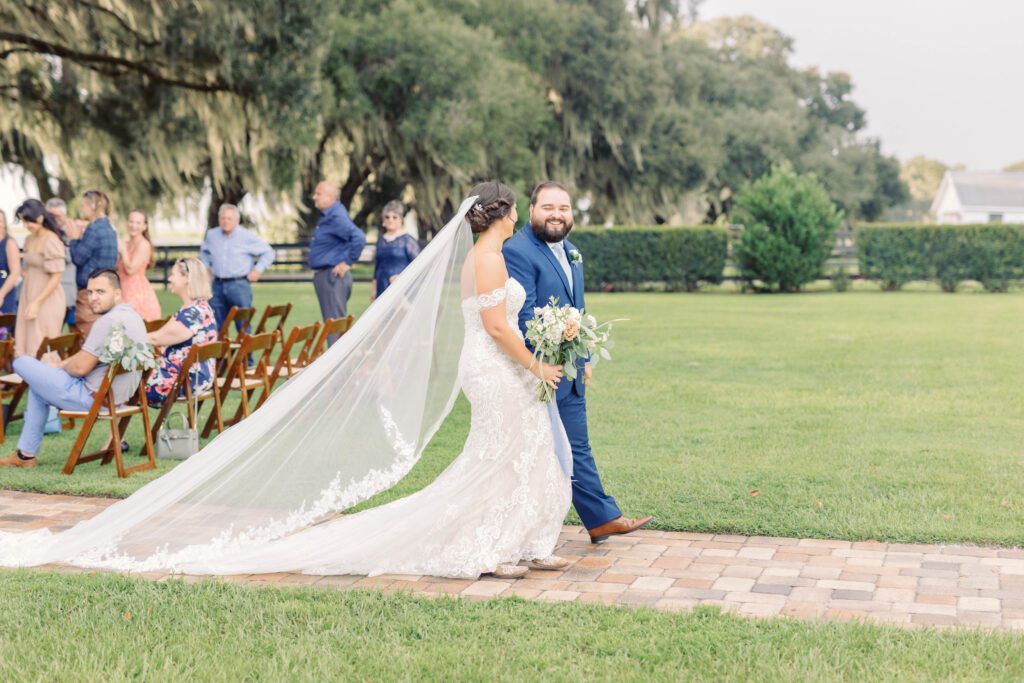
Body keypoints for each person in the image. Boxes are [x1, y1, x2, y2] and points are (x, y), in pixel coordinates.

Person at [0, 186, 575, 580]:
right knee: (501, 453)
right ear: (500, 216)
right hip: (499, 364)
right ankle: (495, 542)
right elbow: (498, 325)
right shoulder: (492, 257)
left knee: (506, 453)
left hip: (490, 365)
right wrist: (537, 363)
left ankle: (515, 539)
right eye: (513, 211)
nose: (517, 217)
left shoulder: (482, 253)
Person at [503, 181, 653, 544]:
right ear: (532, 209)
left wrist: (582, 358)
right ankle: (598, 518)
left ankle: (601, 518)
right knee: (552, 448)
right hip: (540, 370)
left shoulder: (572, 251)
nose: (557, 214)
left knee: (574, 445)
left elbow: (577, 312)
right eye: (548, 207)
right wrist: (545, 364)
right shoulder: (518, 251)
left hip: (570, 368)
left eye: (564, 208)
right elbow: (525, 316)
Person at [0, 269, 146, 469]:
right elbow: (87, 357)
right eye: (90, 292)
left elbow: (80, 368)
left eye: (101, 292)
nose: (93, 298)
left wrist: (59, 368)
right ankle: (25, 456)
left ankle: (25, 456)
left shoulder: (106, 322)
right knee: (38, 387)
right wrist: (59, 366)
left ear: (117, 293)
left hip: (93, 398)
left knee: (21, 361)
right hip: (117, 398)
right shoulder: (133, 317)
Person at [145, 257, 217, 407]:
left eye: (174, 274)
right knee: (126, 384)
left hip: (185, 379)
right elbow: (162, 336)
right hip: (195, 375)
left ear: (186, 278)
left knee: (124, 388)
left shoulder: (192, 314)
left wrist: (125, 338)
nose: (170, 278)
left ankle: (114, 429)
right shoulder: (198, 307)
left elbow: (157, 339)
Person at [199, 204, 275, 334]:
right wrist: (206, 267)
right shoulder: (212, 235)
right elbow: (204, 252)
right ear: (219, 219)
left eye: (229, 218)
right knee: (215, 324)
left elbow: (269, 252)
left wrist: (258, 270)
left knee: (243, 325)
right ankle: (219, 355)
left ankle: (246, 355)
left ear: (237, 221)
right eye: (223, 218)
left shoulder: (247, 236)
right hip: (216, 285)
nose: (225, 221)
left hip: (239, 285)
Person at [309, 181, 365, 346]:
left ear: (329, 197)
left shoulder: (336, 216)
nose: (314, 197)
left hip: (331, 277)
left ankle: (338, 370)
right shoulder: (329, 215)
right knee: (334, 324)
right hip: (327, 277)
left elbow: (359, 238)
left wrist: (347, 262)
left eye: (318, 194)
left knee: (334, 327)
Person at [12, 200, 66, 361]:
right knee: (26, 337)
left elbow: (56, 277)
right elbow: (30, 265)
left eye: (28, 221)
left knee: (41, 339)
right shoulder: (29, 239)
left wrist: (37, 302)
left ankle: (45, 381)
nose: (25, 225)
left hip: (46, 297)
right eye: (23, 221)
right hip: (29, 293)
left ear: (41, 218)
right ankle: (30, 378)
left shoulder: (51, 240)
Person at [65, 190, 118, 337]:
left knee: (88, 336)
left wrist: (74, 239)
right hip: (106, 289)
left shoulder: (93, 228)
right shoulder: (110, 228)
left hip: (90, 291)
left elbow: (78, 258)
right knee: (103, 333)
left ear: (93, 206)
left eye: (84, 205)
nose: (82, 209)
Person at [117, 210, 162, 321]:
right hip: (122, 290)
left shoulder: (144, 245)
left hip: (137, 294)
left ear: (144, 226)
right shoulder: (126, 244)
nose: (134, 226)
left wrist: (123, 251)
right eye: (131, 222)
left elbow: (131, 269)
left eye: (138, 223)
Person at [372, 200, 420, 301]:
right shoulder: (381, 240)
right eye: (387, 217)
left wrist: (401, 277)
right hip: (382, 287)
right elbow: (377, 267)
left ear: (401, 220)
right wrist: (374, 290)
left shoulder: (407, 240)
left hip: (401, 289)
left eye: (395, 217)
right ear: (383, 221)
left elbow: (419, 265)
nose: (390, 220)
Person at [44, 198, 78, 329]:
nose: (54, 219)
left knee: (69, 330)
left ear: (64, 216)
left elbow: (71, 257)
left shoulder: (72, 232)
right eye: (50, 215)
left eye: (57, 216)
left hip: (66, 291)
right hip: (46, 291)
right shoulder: (44, 233)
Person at [0, 209, 21, 331]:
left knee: (3, 332)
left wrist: (1, 294)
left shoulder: (9, 243)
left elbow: (15, 272)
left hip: (5, 293)